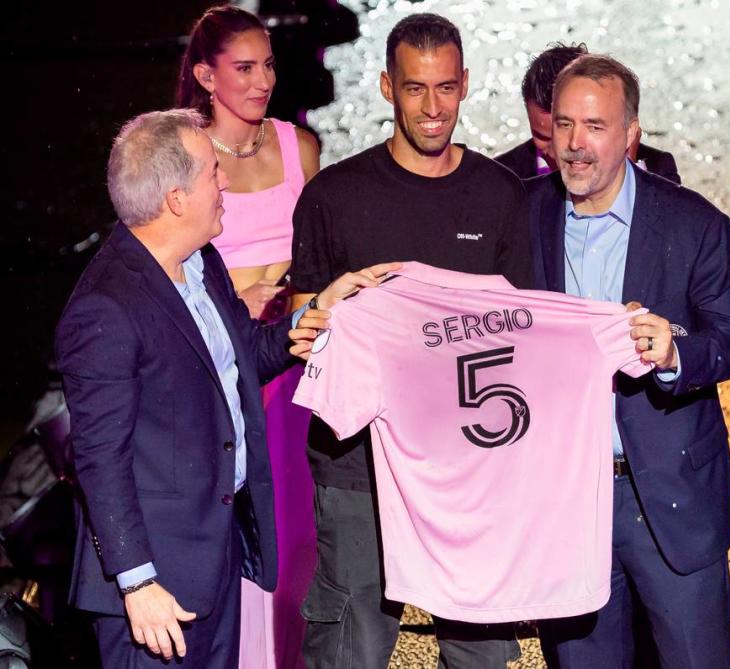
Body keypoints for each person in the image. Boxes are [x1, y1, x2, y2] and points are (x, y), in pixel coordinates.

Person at [54, 108, 393, 667]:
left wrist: (310, 317)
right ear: (177, 199)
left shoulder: (201, 261)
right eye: (213, 171)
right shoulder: (105, 309)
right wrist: (138, 586)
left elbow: (241, 359)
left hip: (214, 557)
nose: (226, 183)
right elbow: (99, 462)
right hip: (155, 593)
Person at [290, 12, 530, 669]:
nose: (432, 107)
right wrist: (323, 310)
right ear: (385, 87)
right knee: (351, 641)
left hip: (468, 467)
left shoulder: (499, 195)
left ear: (466, 85)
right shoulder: (332, 196)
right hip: (356, 464)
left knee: (479, 648)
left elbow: (525, 333)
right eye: (415, 88)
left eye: (445, 88)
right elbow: (299, 326)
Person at [527, 54, 730, 668]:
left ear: (631, 135)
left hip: (671, 503)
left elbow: (729, 340)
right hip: (567, 503)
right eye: (564, 125)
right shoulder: (522, 214)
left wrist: (677, 350)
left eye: (595, 127)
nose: (575, 144)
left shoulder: (693, 223)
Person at [177, 6, 320, 667]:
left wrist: (296, 300)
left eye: (267, 64)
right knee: (229, 525)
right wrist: (236, 301)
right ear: (207, 75)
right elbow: (163, 269)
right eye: (243, 67)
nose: (261, 79)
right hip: (216, 369)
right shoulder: (182, 152)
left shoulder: (299, 145)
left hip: (290, 367)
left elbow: (323, 258)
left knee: (291, 535)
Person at [495, 43, 680, 184]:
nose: (558, 150)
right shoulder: (499, 177)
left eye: (568, 128)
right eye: (542, 136)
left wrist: (624, 175)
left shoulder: (657, 168)